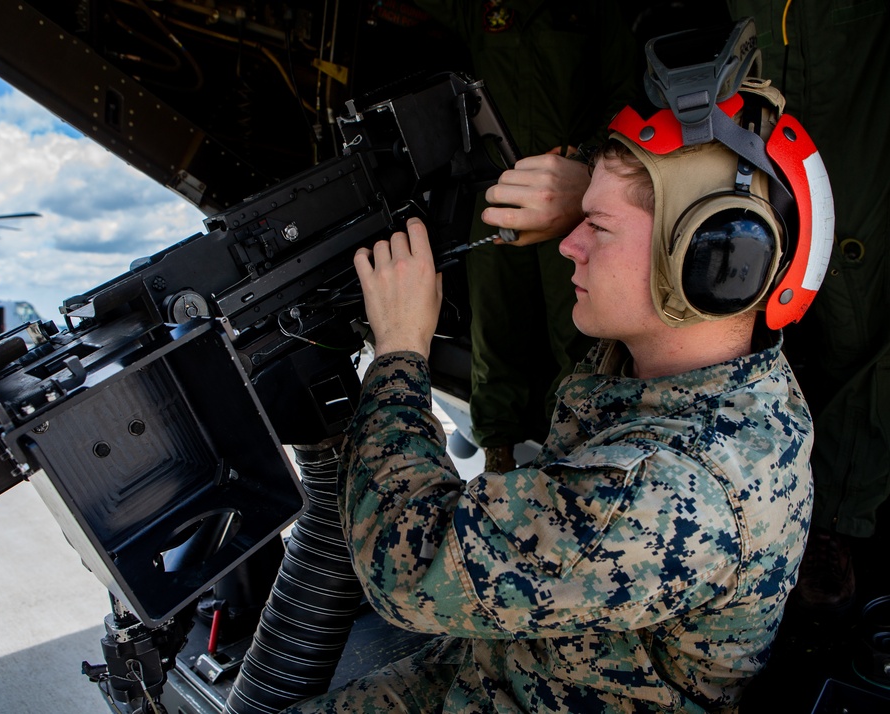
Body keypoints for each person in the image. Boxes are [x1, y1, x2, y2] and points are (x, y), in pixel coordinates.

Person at [283, 67, 825, 710]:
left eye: (596, 227)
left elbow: (406, 569)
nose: (566, 245)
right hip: (522, 663)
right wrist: (594, 197)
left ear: (704, 264)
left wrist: (400, 351)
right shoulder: (716, 365)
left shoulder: (666, 492)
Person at [415, 0, 638, 472]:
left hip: (570, 195)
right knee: (494, 325)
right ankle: (497, 453)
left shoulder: (597, 9)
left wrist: (590, 158)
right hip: (498, 188)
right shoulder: (486, 6)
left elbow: (627, 91)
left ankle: (575, 455)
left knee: (577, 328)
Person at [725, 0, 890, 615]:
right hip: (750, 121)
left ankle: (835, 521)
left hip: (854, 121)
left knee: (855, 317)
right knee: (748, 300)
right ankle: (747, 508)